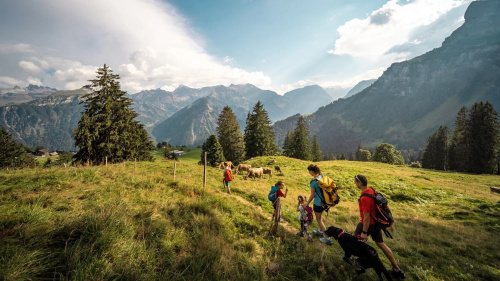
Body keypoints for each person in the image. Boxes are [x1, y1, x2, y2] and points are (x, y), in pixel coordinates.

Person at [354, 174, 406, 279]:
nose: (355, 184)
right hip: (376, 223)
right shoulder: (371, 191)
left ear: (360, 183)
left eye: (355, 182)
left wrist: (364, 232)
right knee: (381, 244)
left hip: (368, 223)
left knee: (355, 240)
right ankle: (397, 270)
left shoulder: (364, 197)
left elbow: (367, 217)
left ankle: (361, 262)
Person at [305, 164, 333, 245]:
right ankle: (320, 231)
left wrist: (307, 203)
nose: (309, 173)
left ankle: (327, 238)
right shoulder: (322, 177)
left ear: (312, 171)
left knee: (319, 219)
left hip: (318, 203)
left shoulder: (313, 181)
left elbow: (312, 194)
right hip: (325, 202)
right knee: (320, 217)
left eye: (309, 171)